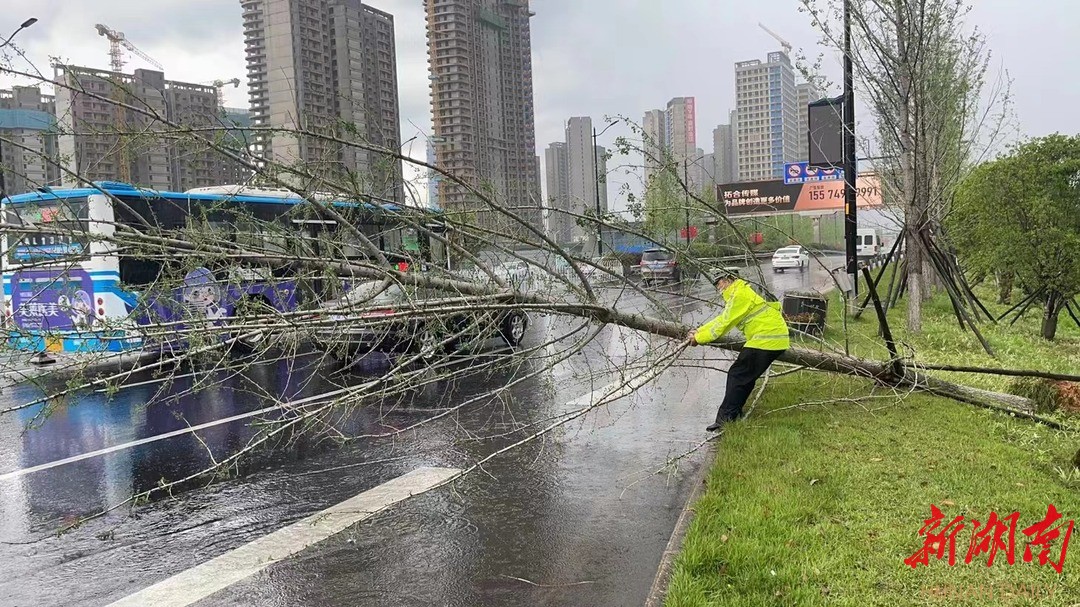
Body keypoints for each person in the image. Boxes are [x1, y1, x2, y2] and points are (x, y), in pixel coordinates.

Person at [687, 268, 790, 432]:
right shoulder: (739, 293)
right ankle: (734, 414)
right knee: (744, 377)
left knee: (738, 375)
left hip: (766, 339)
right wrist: (699, 331)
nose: (718, 287)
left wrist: (698, 339)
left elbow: (723, 325)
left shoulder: (739, 295)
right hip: (769, 338)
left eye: (719, 282)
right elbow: (722, 319)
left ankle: (726, 419)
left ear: (729, 279)